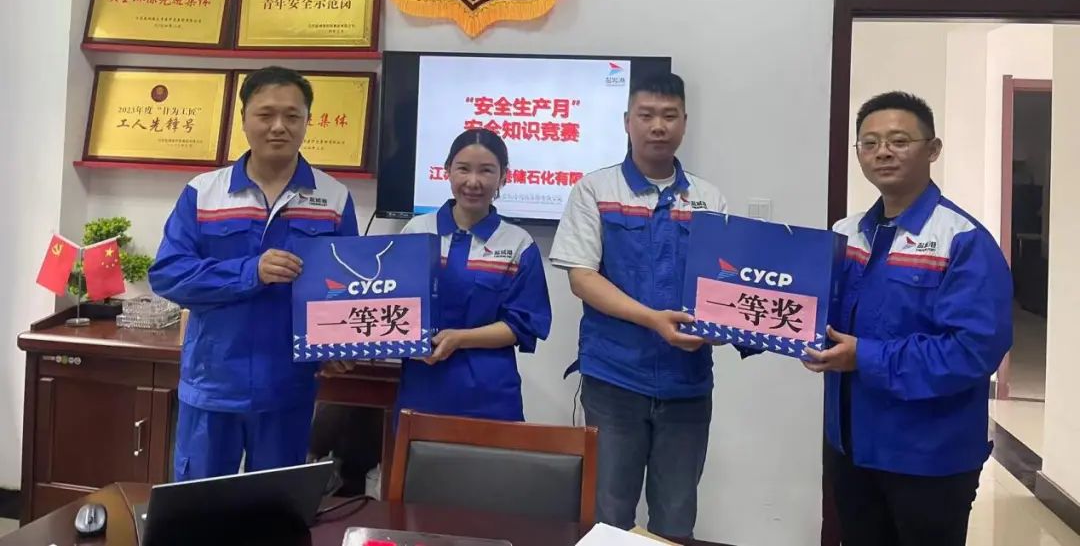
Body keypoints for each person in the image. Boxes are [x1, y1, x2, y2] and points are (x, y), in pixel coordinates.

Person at [804, 91, 1013, 546]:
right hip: (851, 448)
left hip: (929, 457)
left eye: (899, 141)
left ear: (932, 149)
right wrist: (739, 323)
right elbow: (812, 311)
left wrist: (864, 357)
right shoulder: (845, 233)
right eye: (870, 142)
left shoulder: (962, 240)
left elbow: (973, 350)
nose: (883, 152)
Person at [150, 66, 358, 480]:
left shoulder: (333, 198)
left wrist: (340, 344)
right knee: (199, 505)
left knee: (275, 505)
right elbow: (169, 274)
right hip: (212, 382)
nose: (279, 126)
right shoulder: (203, 193)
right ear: (243, 118)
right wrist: (251, 271)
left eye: (292, 116)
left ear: (307, 122)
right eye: (266, 114)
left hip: (288, 386)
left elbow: (348, 287)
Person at [549, 72, 726, 539]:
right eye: (646, 115)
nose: (658, 126)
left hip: (687, 383)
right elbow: (582, 279)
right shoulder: (595, 190)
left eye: (669, 116)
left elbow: (723, 287)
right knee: (610, 515)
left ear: (684, 122)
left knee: (676, 517)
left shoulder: (708, 199)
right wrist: (652, 320)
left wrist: (729, 324)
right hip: (614, 378)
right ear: (627, 121)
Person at [396, 128, 552, 421]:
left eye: (486, 171)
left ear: (503, 177)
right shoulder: (417, 231)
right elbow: (392, 305)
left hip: (490, 392)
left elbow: (522, 325)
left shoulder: (518, 243)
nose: (473, 182)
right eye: (463, 169)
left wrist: (460, 339)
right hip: (422, 385)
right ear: (447, 171)